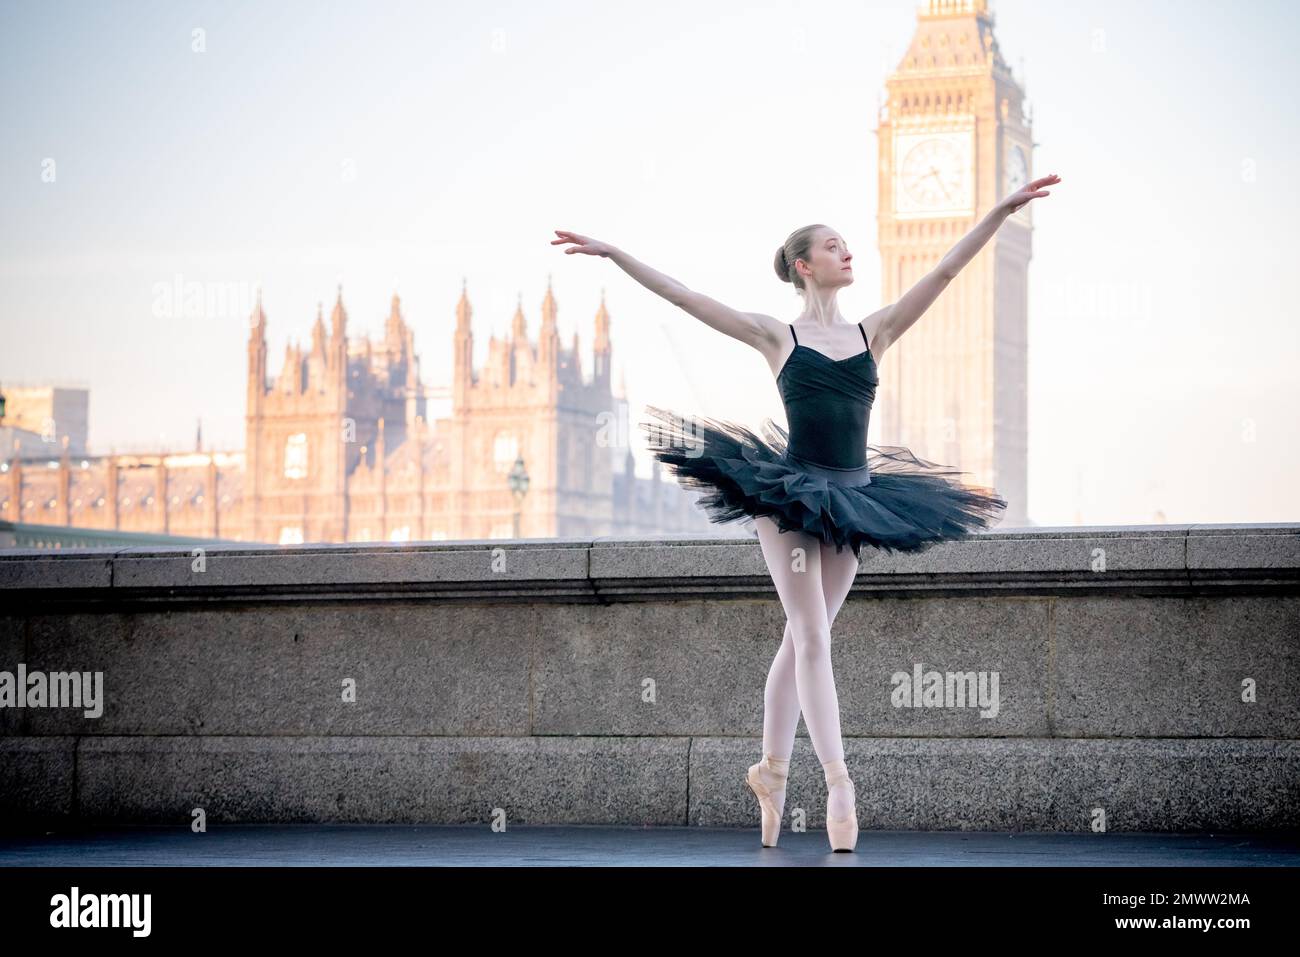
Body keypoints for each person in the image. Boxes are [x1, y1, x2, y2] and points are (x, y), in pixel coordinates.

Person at [550, 173, 1059, 852]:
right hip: (790, 497)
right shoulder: (776, 336)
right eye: (833, 246)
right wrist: (615, 253)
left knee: (799, 642)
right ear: (803, 265)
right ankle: (839, 783)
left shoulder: (874, 332)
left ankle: (771, 771)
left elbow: (943, 272)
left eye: (848, 245)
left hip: (853, 499)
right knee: (812, 637)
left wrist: (999, 208)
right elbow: (687, 296)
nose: (848, 253)